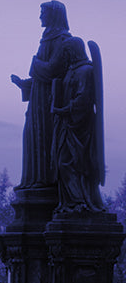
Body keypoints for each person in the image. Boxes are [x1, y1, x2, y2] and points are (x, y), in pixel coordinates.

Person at [11, 0, 72, 189]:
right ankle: (32, 180)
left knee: (44, 136)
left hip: (49, 102)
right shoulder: (46, 39)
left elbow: (54, 69)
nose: (40, 16)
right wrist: (24, 83)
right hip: (38, 99)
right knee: (31, 135)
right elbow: (40, 76)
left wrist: (34, 63)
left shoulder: (63, 40)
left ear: (53, 15)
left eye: (43, 12)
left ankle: (44, 181)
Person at [50, 36, 105, 213]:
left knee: (74, 163)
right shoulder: (71, 70)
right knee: (63, 162)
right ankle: (71, 203)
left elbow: (84, 98)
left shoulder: (86, 70)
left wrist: (64, 110)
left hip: (81, 126)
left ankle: (80, 202)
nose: (64, 56)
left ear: (74, 51)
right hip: (67, 124)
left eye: (66, 52)